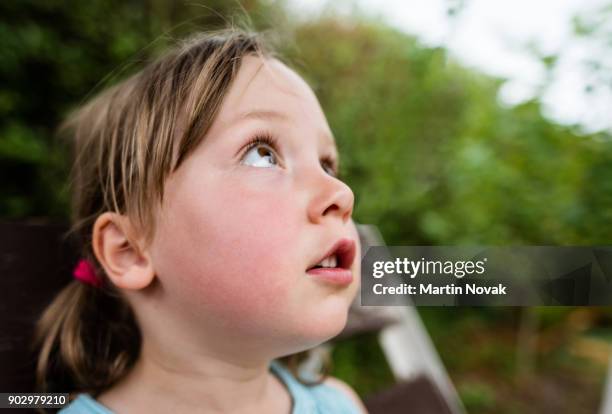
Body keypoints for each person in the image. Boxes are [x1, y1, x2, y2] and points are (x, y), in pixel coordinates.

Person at [34, 27, 368, 414]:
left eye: (328, 164)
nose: (341, 193)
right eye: (261, 153)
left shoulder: (340, 405)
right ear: (129, 251)